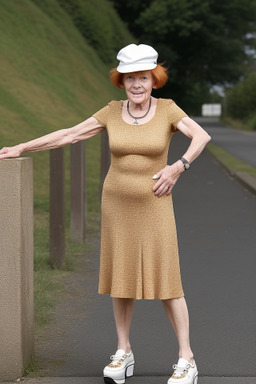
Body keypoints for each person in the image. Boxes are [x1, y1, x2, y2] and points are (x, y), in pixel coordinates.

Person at [0, 43, 211, 384]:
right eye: (130, 79)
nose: (137, 84)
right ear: (121, 81)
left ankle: (186, 357)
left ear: (154, 79)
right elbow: (70, 134)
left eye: (143, 77)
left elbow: (201, 136)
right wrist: (23, 147)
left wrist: (177, 167)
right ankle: (123, 351)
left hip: (155, 204)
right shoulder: (112, 112)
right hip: (117, 205)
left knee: (168, 280)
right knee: (121, 279)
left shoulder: (169, 110)